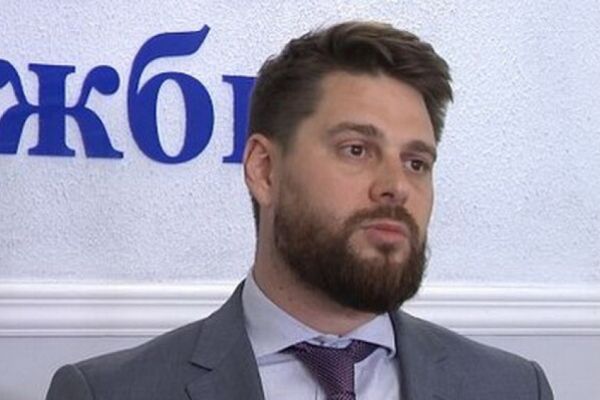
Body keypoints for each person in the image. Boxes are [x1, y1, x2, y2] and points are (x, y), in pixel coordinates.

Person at [46, 21, 553, 400]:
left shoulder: (512, 387)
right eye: (357, 149)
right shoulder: (109, 392)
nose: (397, 187)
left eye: (416, 162)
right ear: (265, 170)